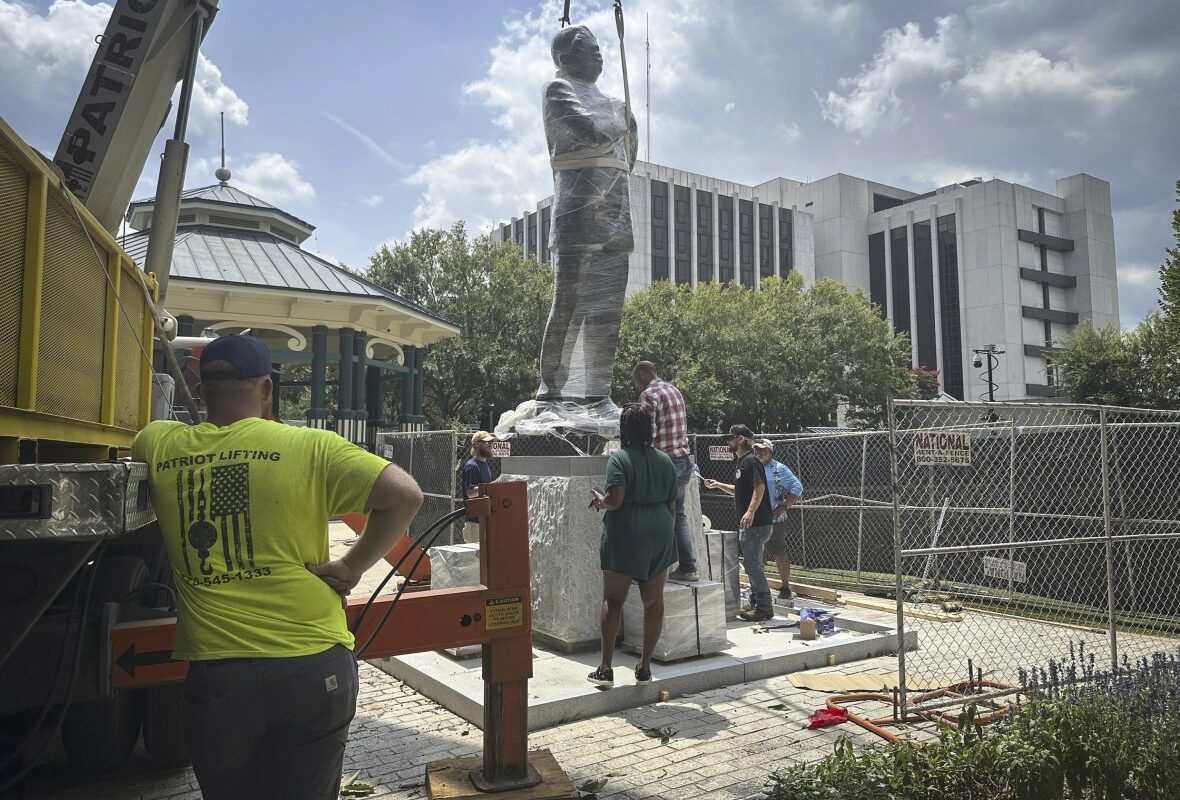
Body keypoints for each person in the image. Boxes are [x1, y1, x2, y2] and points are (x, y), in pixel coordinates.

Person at [132, 334, 423, 800]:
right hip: (313, 666)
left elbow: (146, 434)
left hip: (220, 677)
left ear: (201, 388)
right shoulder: (312, 446)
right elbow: (406, 495)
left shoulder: (159, 444)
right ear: (267, 390)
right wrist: (351, 566)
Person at [537, 24, 638, 402]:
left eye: (599, 48)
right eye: (587, 48)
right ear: (564, 58)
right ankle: (553, 389)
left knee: (607, 313)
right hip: (577, 219)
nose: (598, 54)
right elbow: (591, 131)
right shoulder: (558, 90)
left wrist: (625, 120)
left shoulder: (614, 102)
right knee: (569, 304)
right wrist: (624, 119)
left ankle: (597, 392)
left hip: (617, 216)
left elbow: (628, 155)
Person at [588, 403, 677, 687]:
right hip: (660, 532)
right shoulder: (665, 460)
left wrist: (599, 499)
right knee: (654, 601)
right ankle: (645, 668)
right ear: (650, 429)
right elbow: (672, 506)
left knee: (613, 601)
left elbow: (615, 501)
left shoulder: (619, 459)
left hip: (626, 534)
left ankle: (605, 669)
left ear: (623, 429)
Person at [632, 361, 697, 582]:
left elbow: (648, 434)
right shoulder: (674, 390)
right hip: (683, 459)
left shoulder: (649, 395)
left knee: (655, 515)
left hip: (664, 463)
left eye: (636, 381)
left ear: (642, 374)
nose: (637, 387)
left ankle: (652, 570)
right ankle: (687, 567)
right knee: (678, 515)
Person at [703, 424, 774, 622]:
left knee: (752, 566)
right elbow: (741, 490)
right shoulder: (742, 462)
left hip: (756, 523)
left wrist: (750, 511)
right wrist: (718, 485)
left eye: (731, 437)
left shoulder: (750, 461)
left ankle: (765, 607)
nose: (728, 441)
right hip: (754, 523)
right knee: (753, 564)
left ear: (741, 439)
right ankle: (754, 603)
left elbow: (759, 487)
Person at [753, 439, 804, 601]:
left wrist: (784, 506)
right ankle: (759, 587)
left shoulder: (779, 468)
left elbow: (797, 487)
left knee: (779, 553)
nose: (759, 453)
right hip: (756, 518)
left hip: (774, 521)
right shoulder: (752, 466)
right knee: (757, 553)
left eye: (762, 450)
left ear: (770, 452)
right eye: (756, 450)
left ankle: (785, 587)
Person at [460, 431, 496, 543]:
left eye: (491, 442)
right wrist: (491, 486)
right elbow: (470, 493)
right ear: (476, 445)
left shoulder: (484, 465)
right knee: (476, 560)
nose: (490, 445)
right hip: (474, 525)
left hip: (484, 522)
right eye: (486, 442)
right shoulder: (471, 466)